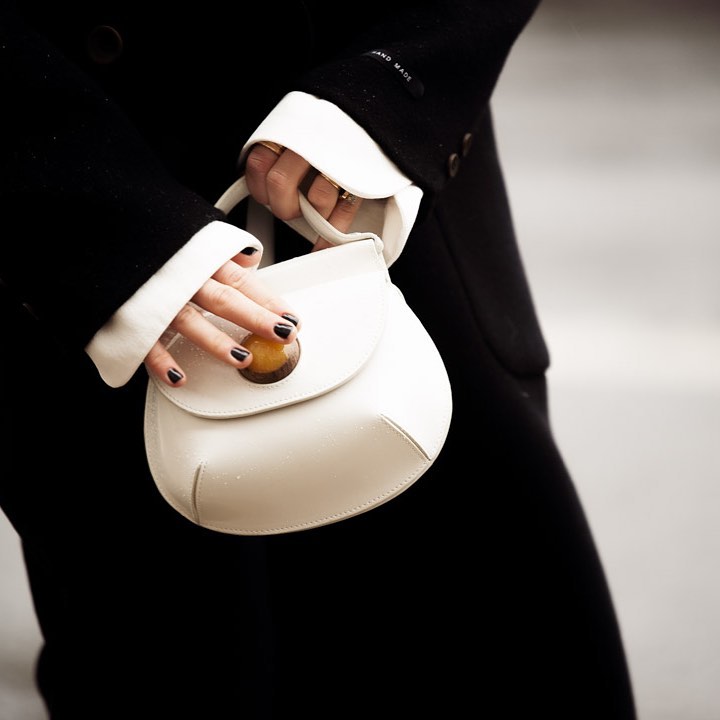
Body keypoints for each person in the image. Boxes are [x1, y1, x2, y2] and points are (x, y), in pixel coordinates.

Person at [0, 1, 637, 718]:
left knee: (493, 653)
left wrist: (387, 92)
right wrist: (94, 220)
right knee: (184, 670)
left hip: (383, 215)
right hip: (85, 279)